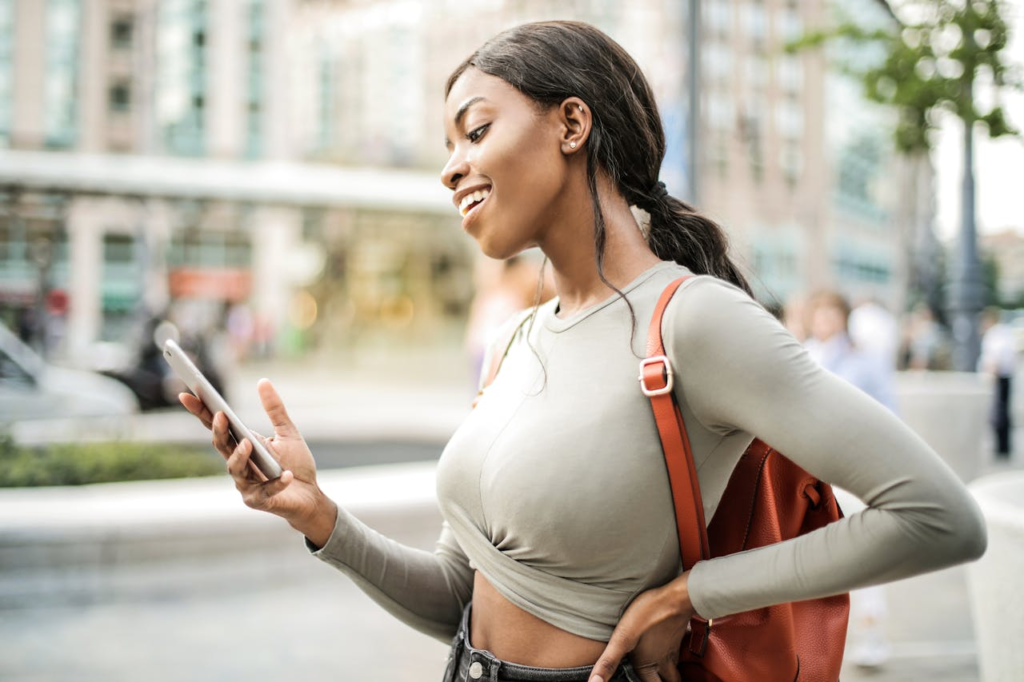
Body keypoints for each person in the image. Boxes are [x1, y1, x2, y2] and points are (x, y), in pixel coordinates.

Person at [180, 21, 987, 682]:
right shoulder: (513, 341)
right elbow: (459, 597)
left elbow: (938, 517)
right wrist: (320, 517)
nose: (450, 169)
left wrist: (692, 596)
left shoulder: (693, 322)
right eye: (448, 146)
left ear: (572, 124)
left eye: (476, 131)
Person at [803, 290, 897, 669]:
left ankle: (871, 637)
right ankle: (817, 645)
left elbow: (889, 413)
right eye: (819, 313)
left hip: (855, 472)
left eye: (832, 313)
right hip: (811, 473)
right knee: (815, 561)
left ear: (843, 317)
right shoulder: (799, 354)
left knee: (865, 555)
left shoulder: (864, 361)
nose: (825, 320)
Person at [978, 307, 1017, 458]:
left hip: (998, 377)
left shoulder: (994, 334)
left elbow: (995, 357)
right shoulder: (1004, 332)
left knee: (999, 413)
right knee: (1004, 412)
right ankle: (1004, 447)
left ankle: (1001, 448)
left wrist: (989, 377)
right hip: (1006, 376)